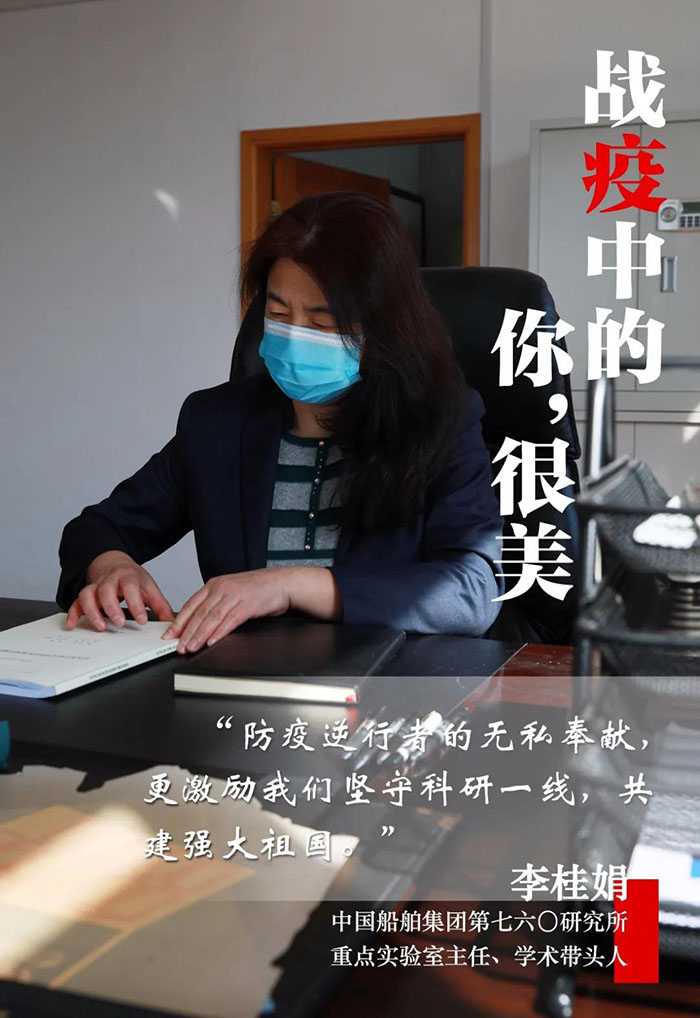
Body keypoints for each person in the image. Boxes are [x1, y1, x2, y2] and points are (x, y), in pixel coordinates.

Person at [57, 191, 503, 652]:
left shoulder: (442, 423)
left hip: (385, 682)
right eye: (278, 314)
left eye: (322, 323)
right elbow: (96, 529)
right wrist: (112, 567)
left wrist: (291, 585)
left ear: (382, 327)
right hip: (244, 681)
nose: (294, 338)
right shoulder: (216, 423)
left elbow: (475, 589)